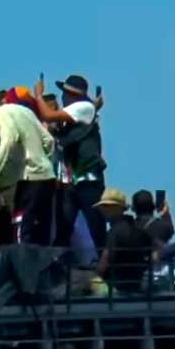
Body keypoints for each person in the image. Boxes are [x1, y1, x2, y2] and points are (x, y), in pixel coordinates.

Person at [35, 74, 108, 250]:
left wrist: (38, 95)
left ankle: (107, 263)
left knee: (96, 226)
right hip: (72, 182)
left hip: (88, 180)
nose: (62, 98)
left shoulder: (83, 107)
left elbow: (47, 115)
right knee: (64, 228)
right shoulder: (78, 114)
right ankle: (59, 262)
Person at [0, 87, 59, 245]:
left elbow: (9, 141)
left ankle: (23, 260)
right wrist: (43, 161)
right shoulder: (26, 111)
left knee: (23, 230)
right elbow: (49, 141)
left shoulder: (1, 112)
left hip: (29, 179)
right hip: (47, 176)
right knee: (42, 231)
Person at [93, 189, 152, 293]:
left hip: (116, 288)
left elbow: (104, 263)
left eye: (106, 206)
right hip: (136, 286)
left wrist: (94, 275)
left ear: (117, 208)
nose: (102, 211)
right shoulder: (139, 230)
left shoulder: (114, 232)